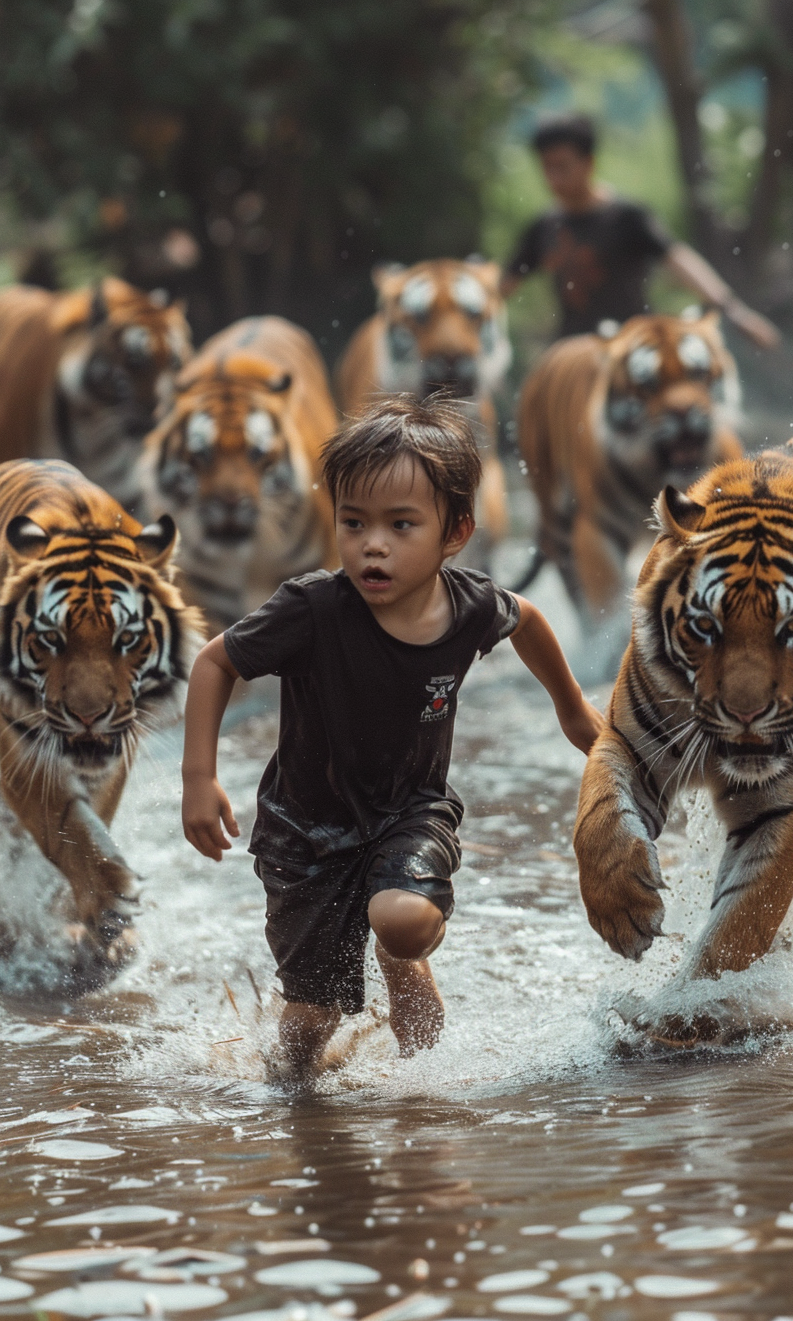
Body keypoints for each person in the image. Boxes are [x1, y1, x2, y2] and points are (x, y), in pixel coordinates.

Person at [181, 395, 604, 1075]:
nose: (373, 544)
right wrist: (198, 780)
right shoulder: (311, 608)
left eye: (401, 525)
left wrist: (574, 709)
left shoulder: (469, 607)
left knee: (402, 926)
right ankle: (289, 1098)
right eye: (354, 523)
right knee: (312, 1021)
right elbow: (215, 661)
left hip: (412, 811)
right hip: (304, 834)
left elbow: (525, 618)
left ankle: (422, 1087)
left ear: (455, 531)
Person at [501, 113, 780, 351]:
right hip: (572, 352)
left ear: (588, 163)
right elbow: (502, 287)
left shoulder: (626, 218)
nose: (554, 178)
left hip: (632, 347)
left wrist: (733, 310)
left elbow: (678, 260)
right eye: (547, 168)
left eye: (562, 166)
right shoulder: (543, 227)